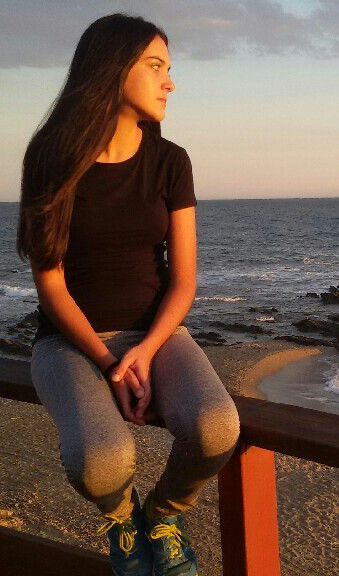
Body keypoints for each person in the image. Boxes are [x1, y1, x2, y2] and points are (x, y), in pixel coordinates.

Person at [16, 13, 240, 576]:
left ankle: (162, 516)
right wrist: (109, 362)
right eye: (156, 67)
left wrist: (144, 349)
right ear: (113, 70)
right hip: (70, 342)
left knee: (217, 427)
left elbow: (183, 280)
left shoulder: (170, 161)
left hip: (157, 334)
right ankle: (122, 518)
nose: (170, 82)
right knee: (100, 459)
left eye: (169, 68)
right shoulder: (50, 159)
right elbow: (50, 284)